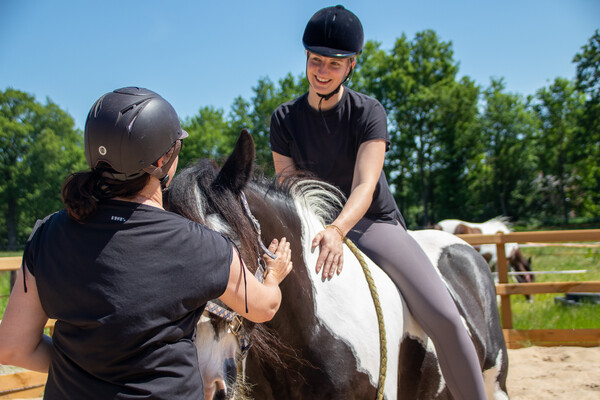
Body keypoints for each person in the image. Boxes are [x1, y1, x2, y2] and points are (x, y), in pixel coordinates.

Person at [0, 87, 292, 399]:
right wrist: (273, 276)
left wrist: (81, 366)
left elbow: (13, 348)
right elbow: (265, 307)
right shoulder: (199, 244)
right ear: (163, 160)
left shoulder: (49, 234)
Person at [269, 6, 487, 400]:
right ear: (305, 58)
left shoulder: (369, 112)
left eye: (334, 64)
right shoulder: (283, 119)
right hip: (312, 229)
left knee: (445, 318)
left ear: (351, 65)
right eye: (315, 60)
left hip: (371, 224)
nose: (322, 71)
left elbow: (365, 185)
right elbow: (288, 188)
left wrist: (337, 229)